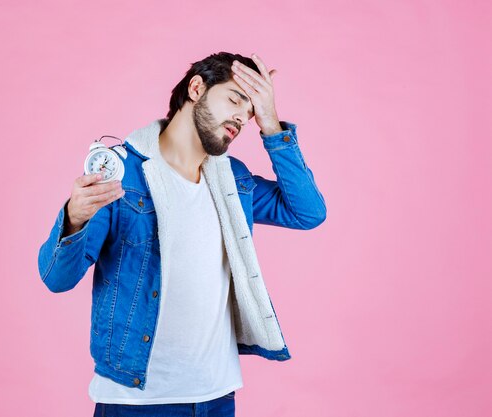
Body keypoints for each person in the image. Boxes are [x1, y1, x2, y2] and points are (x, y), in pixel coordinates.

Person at [37, 51, 327, 417]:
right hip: (137, 402)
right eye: (236, 98)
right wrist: (73, 218)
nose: (242, 117)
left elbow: (308, 212)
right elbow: (57, 279)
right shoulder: (122, 174)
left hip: (217, 397)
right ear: (196, 88)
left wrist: (270, 124)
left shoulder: (234, 181)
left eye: (250, 112)